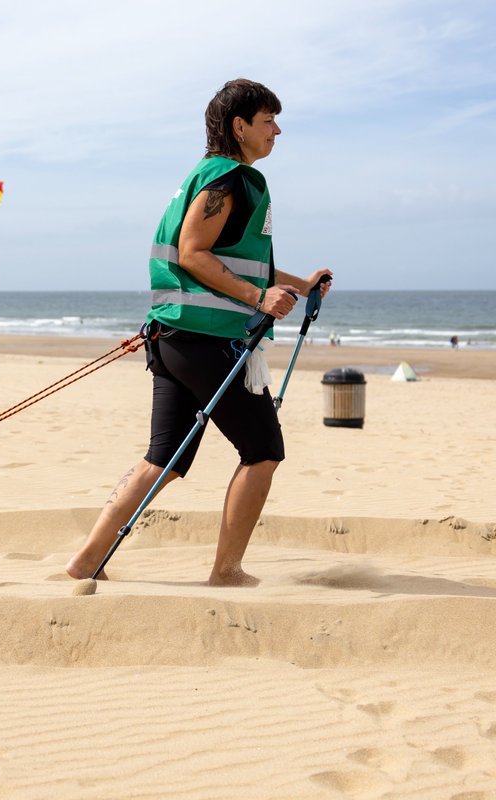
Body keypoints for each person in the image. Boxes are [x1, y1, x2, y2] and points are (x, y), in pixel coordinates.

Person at [66, 79, 332, 587]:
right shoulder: (230, 180)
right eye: (268, 120)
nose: (278, 130)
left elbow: (235, 264)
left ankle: (85, 560)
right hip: (207, 344)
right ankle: (227, 571)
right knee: (263, 450)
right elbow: (193, 253)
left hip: (173, 339)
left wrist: (299, 284)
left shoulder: (206, 176)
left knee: (162, 460)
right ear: (240, 126)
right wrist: (258, 300)